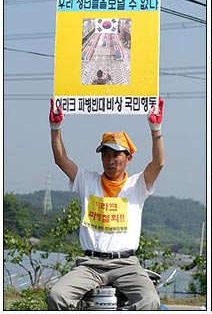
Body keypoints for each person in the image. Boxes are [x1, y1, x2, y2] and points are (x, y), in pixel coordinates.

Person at [46, 98, 165, 310]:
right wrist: (56, 127)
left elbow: (158, 164)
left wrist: (156, 129)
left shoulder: (137, 184)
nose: (110, 160)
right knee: (57, 296)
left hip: (126, 264)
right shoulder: (87, 180)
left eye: (116, 155)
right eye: (106, 155)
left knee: (150, 301)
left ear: (128, 158)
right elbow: (61, 160)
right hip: (90, 265)